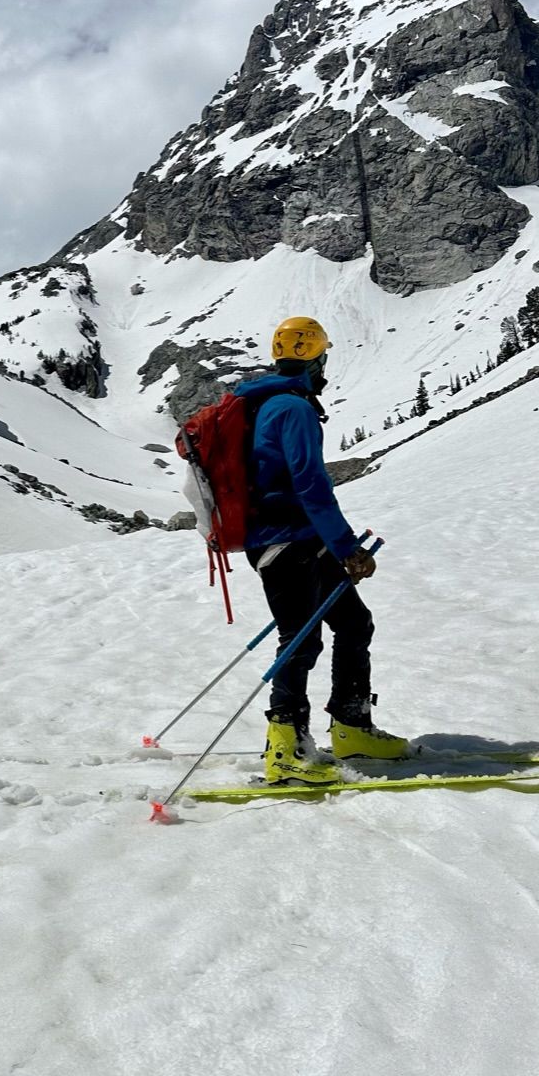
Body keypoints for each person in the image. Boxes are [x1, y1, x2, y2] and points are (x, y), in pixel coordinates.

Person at [238, 316, 406, 785]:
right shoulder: (292, 408)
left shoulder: (276, 403)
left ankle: (352, 726)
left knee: (354, 622)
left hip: (301, 540)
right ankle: (285, 746)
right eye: (324, 357)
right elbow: (310, 483)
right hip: (285, 541)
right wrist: (348, 548)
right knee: (301, 637)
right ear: (314, 357)